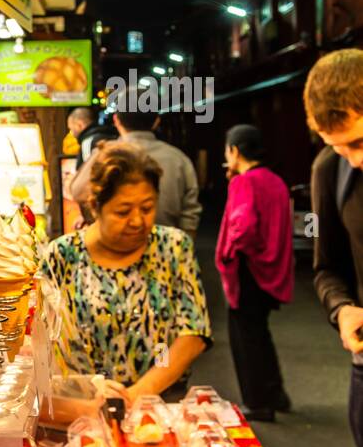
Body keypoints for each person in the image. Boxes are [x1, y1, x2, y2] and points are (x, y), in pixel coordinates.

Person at [40, 142, 212, 403]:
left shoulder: (173, 248)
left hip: (159, 402)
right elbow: (43, 341)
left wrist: (136, 395)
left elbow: (193, 333)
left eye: (147, 208)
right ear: (96, 207)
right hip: (82, 407)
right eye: (123, 211)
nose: (137, 221)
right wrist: (87, 393)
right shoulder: (62, 255)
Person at [304, 49, 363, 447]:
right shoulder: (330, 170)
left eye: (358, 142)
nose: (354, 159)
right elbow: (327, 269)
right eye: (338, 147)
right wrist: (342, 310)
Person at [215, 124, 293, 422]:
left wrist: (231, 250)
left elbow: (243, 225)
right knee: (260, 332)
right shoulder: (275, 181)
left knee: (245, 338)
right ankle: (276, 393)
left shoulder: (243, 182)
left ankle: (257, 401)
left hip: (247, 269)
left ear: (234, 150)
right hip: (270, 270)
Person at [70, 110, 201, 237]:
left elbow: (77, 191)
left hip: (114, 245)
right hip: (166, 248)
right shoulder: (179, 159)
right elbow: (190, 214)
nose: (137, 221)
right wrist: (182, 245)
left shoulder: (104, 155)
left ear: (116, 120)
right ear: (156, 121)